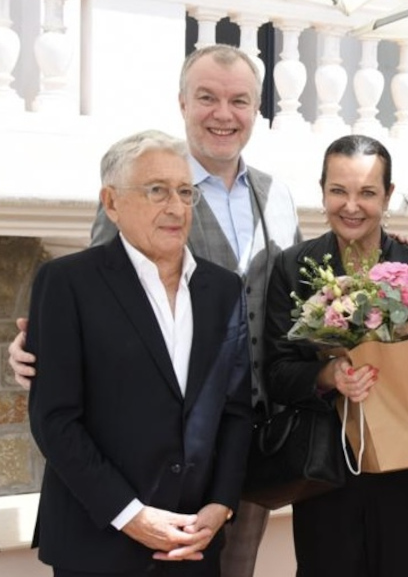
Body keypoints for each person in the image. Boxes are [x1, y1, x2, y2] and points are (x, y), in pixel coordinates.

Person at [10, 43, 301, 577]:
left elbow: (287, 315)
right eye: (207, 97)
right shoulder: (135, 177)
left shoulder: (277, 195)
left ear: (255, 110)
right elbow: (99, 298)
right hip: (127, 483)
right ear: (183, 103)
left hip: (242, 456)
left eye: (239, 100)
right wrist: (36, 352)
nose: (223, 113)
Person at [27, 130, 251, 577]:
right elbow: (55, 420)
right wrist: (132, 516)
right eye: (156, 191)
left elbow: (236, 410)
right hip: (100, 542)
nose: (176, 207)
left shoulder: (224, 288)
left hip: (194, 544)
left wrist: (220, 504)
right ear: (111, 203)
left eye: (185, 192)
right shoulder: (67, 283)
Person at [262, 134, 408, 577]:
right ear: (322, 190)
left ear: (387, 195)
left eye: (367, 192)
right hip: (327, 470)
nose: (351, 205)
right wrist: (328, 375)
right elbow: (276, 370)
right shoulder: (294, 268)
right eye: (338, 191)